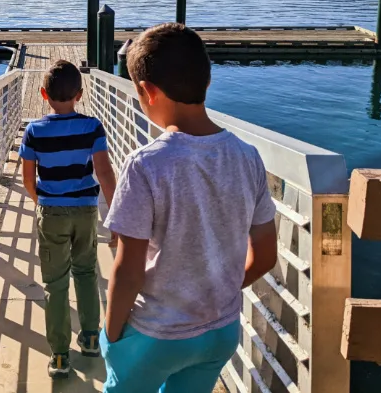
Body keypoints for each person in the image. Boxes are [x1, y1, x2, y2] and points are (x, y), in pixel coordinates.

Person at [101, 23, 278, 393]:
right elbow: (264, 257)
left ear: (148, 92)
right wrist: (223, 290)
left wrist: (111, 334)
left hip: (157, 335)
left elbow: (129, 268)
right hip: (220, 332)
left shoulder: (145, 165)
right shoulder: (249, 158)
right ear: (207, 82)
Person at [19, 59, 117, 379]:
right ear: (80, 93)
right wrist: (115, 215)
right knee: (86, 272)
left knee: (55, 283)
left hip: (52, 212)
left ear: (43, 94)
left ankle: (60, 356)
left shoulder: (34, 131)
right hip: (86, 210)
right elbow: (104, 172)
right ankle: (90, 338)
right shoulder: (93, 127)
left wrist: (43, 203)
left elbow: (28, 179)